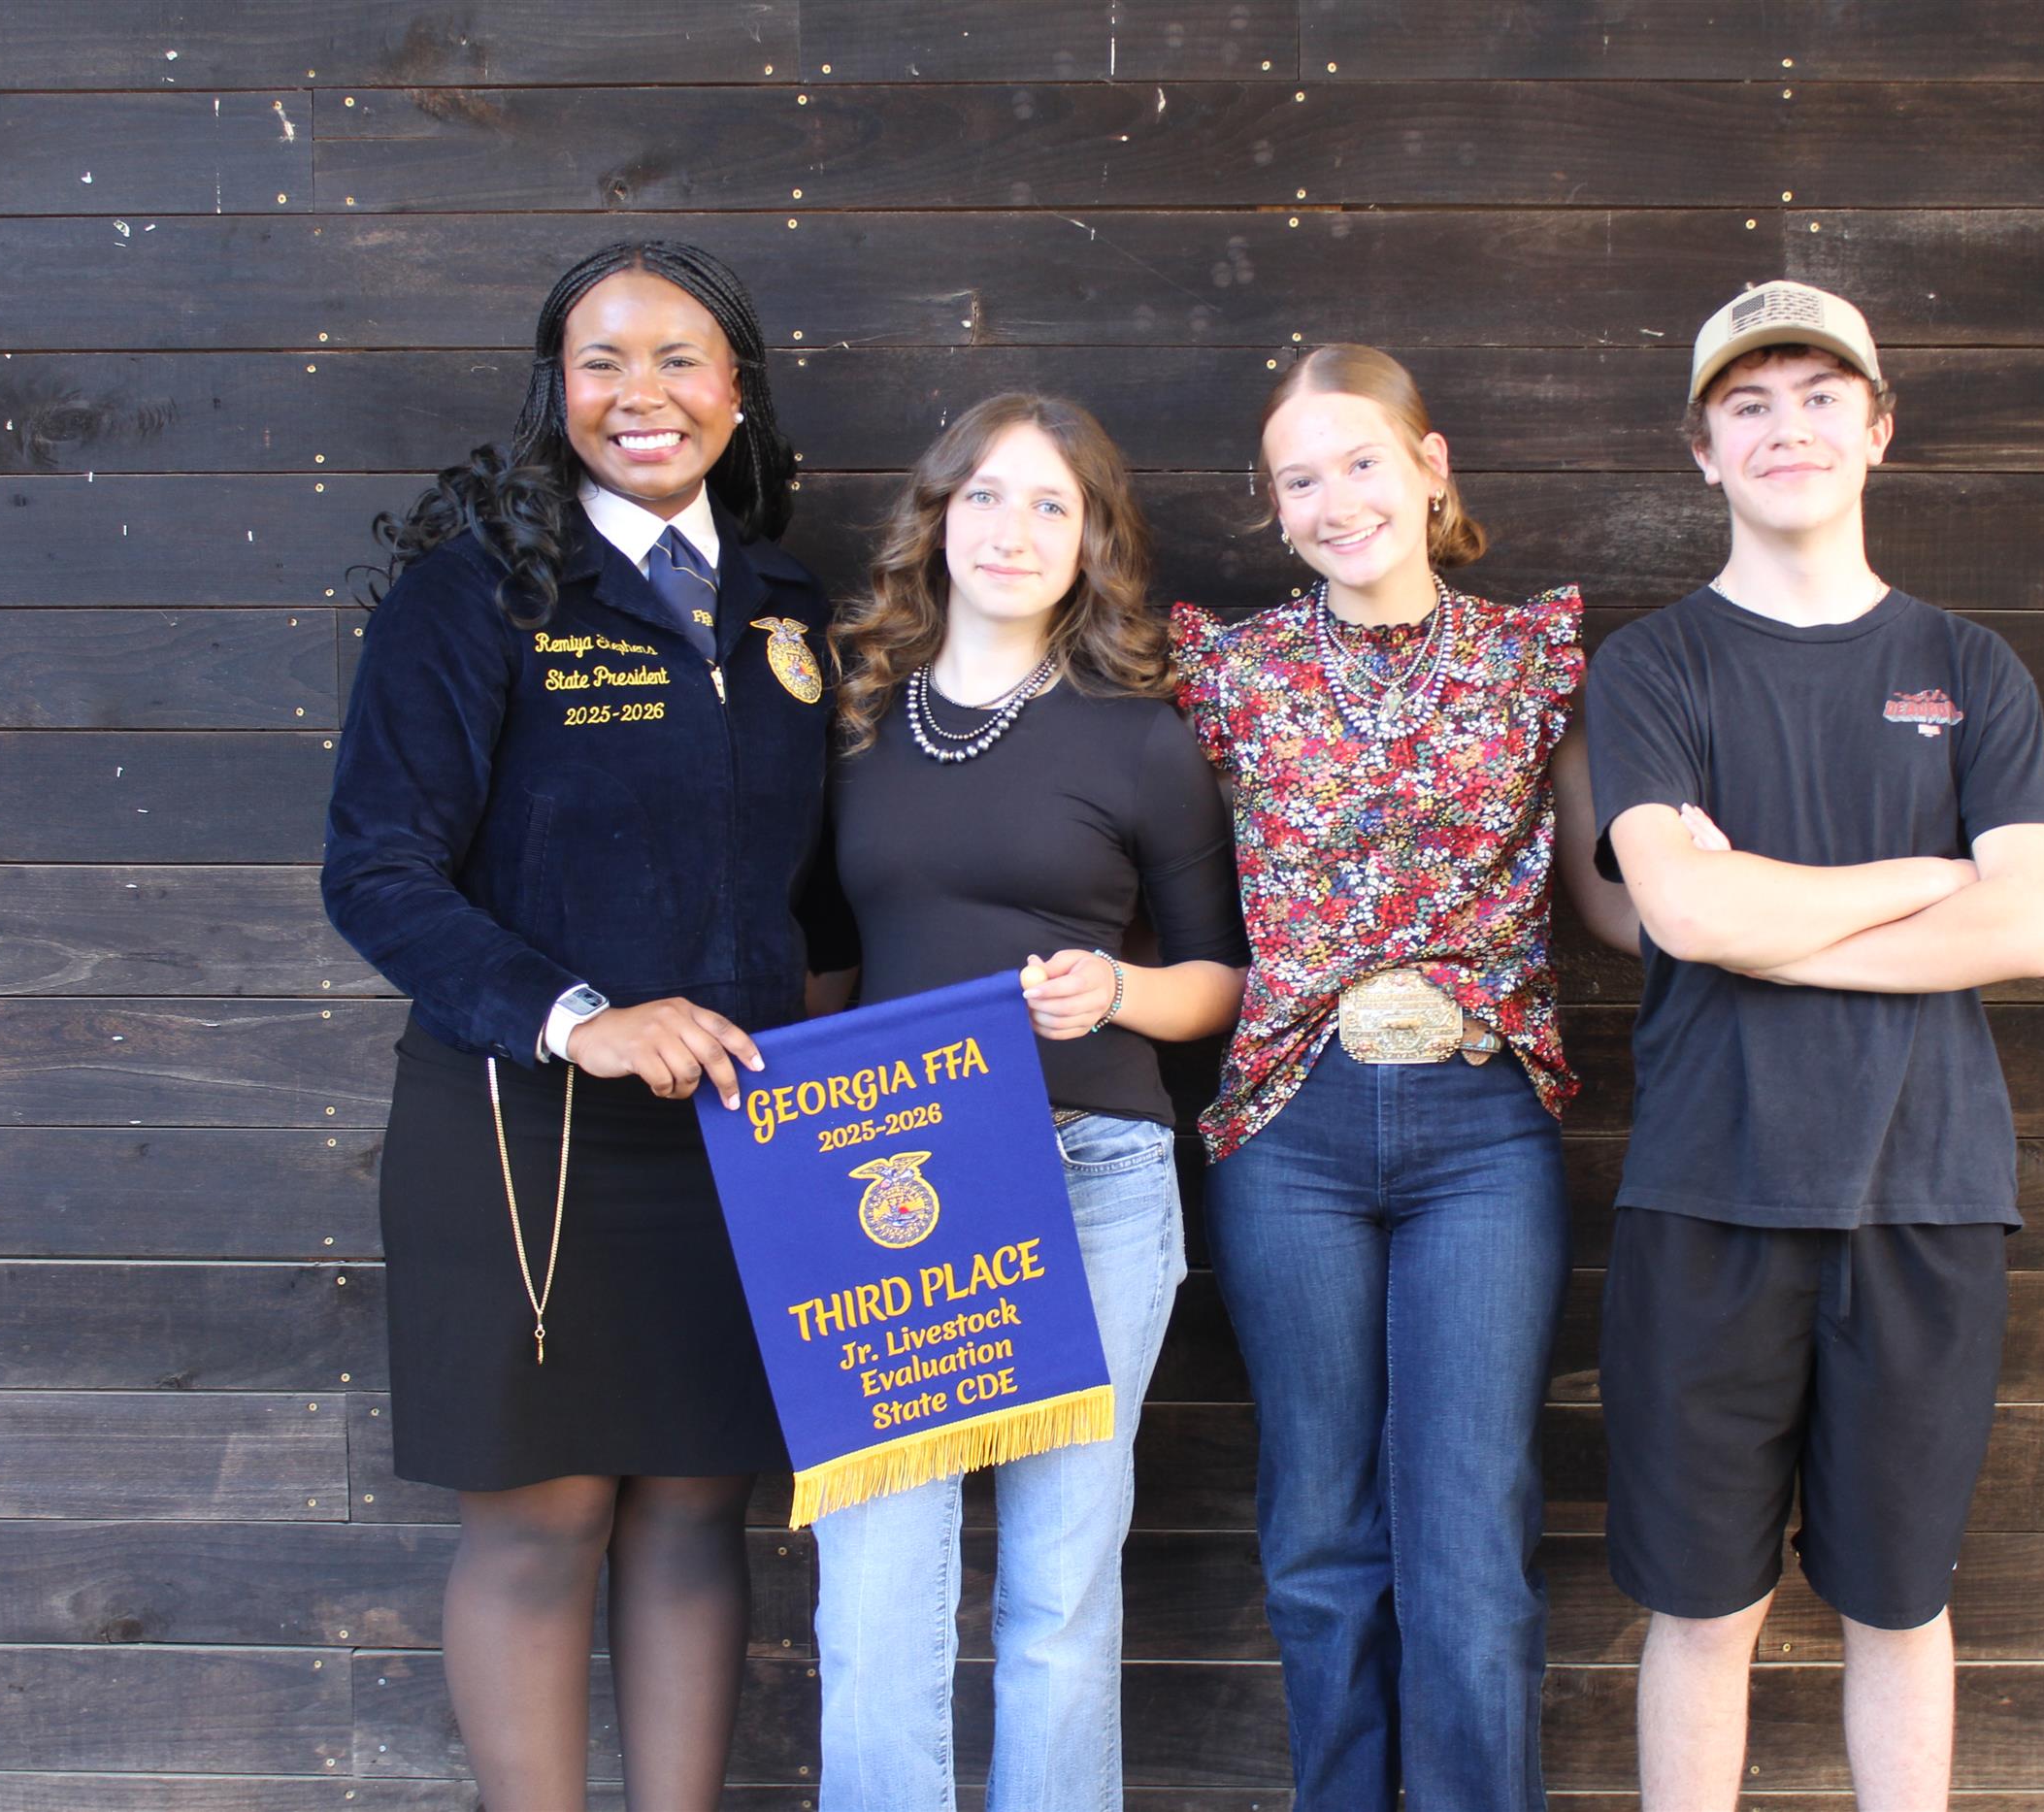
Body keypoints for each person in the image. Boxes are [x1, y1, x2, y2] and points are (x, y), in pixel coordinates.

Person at [321, 240, 847, 1812]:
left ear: (736, 388)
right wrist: (581, 1018)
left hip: (740, 1133)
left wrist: (856, 1077)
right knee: (540, 1524)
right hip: (521, 1131)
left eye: (678, 358)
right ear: (556, 391)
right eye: (601, 361)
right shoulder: (475, 594)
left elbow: (818, 893)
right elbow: (378, 874)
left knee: (696, 1510)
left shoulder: (789, 609)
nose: (641, 394)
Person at [1584, 280, 2044, 1808]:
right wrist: (1925, 877)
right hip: (1707, 1194)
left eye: (1817, 398)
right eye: (1748, 405)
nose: (1785, 429)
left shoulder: (1972, 667)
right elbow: (1678, 907)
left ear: (1878, 428)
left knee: (1901, 1608)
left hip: (1924, 1198)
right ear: (1702, 451)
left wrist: (1764, 918)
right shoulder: (1653, 667)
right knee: (1701, 1613)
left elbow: (2028, 927)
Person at [1170, 345, 1632, 1811]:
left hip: (1482, 1127)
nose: (1333, 500)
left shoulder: (1533, 660)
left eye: (1360, 461)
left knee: (1470, 1527)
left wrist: (1770, 906)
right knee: (1318, 1525)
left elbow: (1614, 901)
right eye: (1297, 480)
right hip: (1288, 1127)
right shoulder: (1226, 672)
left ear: (1432, 467)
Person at [812, 392, 1249, 1812]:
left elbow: (1220, 980)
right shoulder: (852, 722)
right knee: (874, 1575)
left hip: (1092, 1172)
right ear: (937, 520)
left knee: (1061, 1586)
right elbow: (818, 960)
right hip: (891, 1182)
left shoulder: (1141, 743)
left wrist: (1115, 990)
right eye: (986, 496)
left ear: (1092, 540)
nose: (1012, 529)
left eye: (1051, 504)